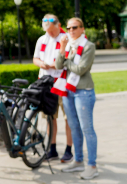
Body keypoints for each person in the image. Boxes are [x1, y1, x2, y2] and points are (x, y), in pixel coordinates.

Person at [55, 17, 98, 180]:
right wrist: (63, 50)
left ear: (82, 29)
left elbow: (80, 70)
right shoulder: (67, 46)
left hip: (83, 91)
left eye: (74, 27)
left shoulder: (88, 46)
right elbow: (59, 65)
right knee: (74, 127)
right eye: (68, 28)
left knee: (87, 129)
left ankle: (92, 165)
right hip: (68, 90)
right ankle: (78, 160)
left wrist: (66, 61)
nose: (71, 30)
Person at [33, 14, 74, 163]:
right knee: (50, 117)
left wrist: (54, 64)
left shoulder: (66, 39)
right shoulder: (42, 39)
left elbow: (65, 61)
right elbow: (35, 58)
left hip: (62, 82)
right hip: (46, 82)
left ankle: (69, 149)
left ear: (58, 25)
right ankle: (52, 148)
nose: (49, 33)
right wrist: (42, 64)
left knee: (67, 117)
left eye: (51, 30)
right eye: (47, 31)